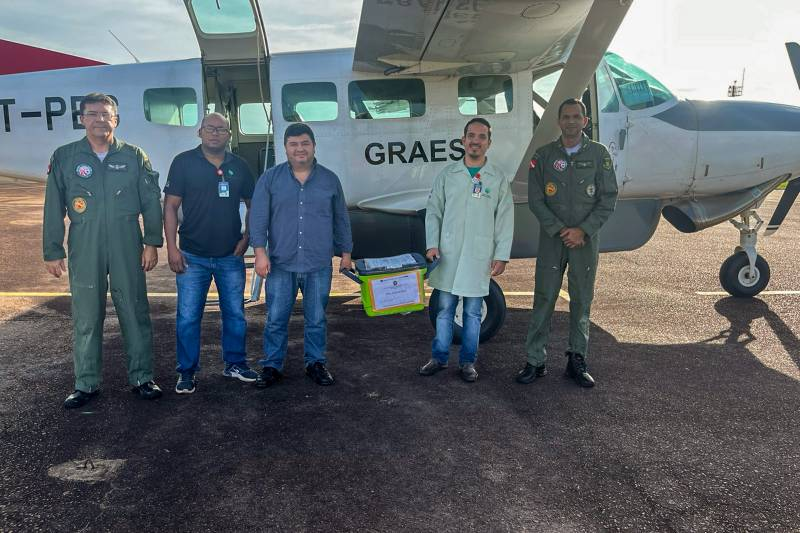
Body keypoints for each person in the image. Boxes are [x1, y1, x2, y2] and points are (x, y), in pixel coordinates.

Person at [42, 92, 164, 408]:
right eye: (93, 114)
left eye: (106, 114)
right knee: (86, 314)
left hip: (127, 243)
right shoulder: (66, 157)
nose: (100, 119)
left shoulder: (135, 156)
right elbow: (53, 206)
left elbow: (151, 202)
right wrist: (52, 249)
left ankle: (142, 377)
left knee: (135, 310)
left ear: (116, 119)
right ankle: (86, 384)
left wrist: (152, 241)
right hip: (85, 244)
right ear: (82, 119)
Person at [520, 98, 618, 388]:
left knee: (581, 301)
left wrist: (583, 231)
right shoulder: (544, 155)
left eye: (577, 116)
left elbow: (608, 198)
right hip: (553, 240)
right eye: (566, 116)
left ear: (584, 121)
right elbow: (536, 199)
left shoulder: (599, 155)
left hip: (584, 242)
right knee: (544, 299)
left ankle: (577, 360)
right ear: (559, 121)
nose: (571, 121)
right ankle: (535, 362)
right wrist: (561, 229)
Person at [249, 123, 353, 387]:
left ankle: (315, 363)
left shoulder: (330, 180)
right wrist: (260, 254)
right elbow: (258, 218)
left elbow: (341, 218)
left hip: (318, 263)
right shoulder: (270, 179)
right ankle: (272, 366)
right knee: (275, 318)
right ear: (285, 148)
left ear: (314, 146)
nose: (299, 149)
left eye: (305, 143)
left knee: (316, 318)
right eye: (293, 144)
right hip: (281, 263)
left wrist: (346, 252)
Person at [163, 112, 257, 394]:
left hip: (231, 255)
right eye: (210, 128)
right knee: (189, 316)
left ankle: (235, 364)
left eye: (221, 129)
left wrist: (247, 238)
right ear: (200, 132)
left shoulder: (239, 166)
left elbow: (254, 205)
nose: (215, 133)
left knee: (235, 314)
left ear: (229, 134)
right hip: (193, 256)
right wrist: (172, 248)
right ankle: (187, 371)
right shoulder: (183, 163)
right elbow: (169, 206)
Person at [420, 118, 514, 383]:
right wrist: (432, 244)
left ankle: (467, 362)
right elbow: (434, 212)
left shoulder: (497, 178)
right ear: (462, 140)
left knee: (473, 312)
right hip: (448, 254)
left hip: (478, 256)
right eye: (471, 136)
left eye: (481, 137)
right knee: (444, 309)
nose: (475, 141)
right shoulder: (448, 175)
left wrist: (501, 254)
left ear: (489, 143)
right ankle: (438, 358)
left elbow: (505, 218)